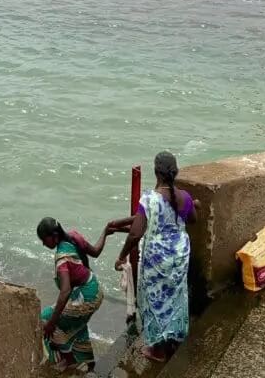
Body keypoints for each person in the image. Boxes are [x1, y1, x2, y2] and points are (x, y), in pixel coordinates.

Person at [112, 151, 196, 362]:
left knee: (155, 301)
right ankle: (173, 337)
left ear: (156, 172)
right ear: (175, 172)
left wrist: (122, 256)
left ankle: (157, 350)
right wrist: (194, 205)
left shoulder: (149, 199)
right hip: (180, 255)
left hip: (157, 259)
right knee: (175, 297)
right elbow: (192, 219)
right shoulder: (185, 197)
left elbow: (135, 233)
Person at [36, 217, 108, 371]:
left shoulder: (62, 258)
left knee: (46, 319)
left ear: (54, 236)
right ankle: (87, 361)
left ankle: (70, 360)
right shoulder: (73, 237)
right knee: (76, 324)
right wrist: (106, 231)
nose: (43, 243)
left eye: (44, 239)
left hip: (86, 298)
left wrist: (51, 323)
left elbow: (65, 291)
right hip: (94, 288)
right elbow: (96, 251)